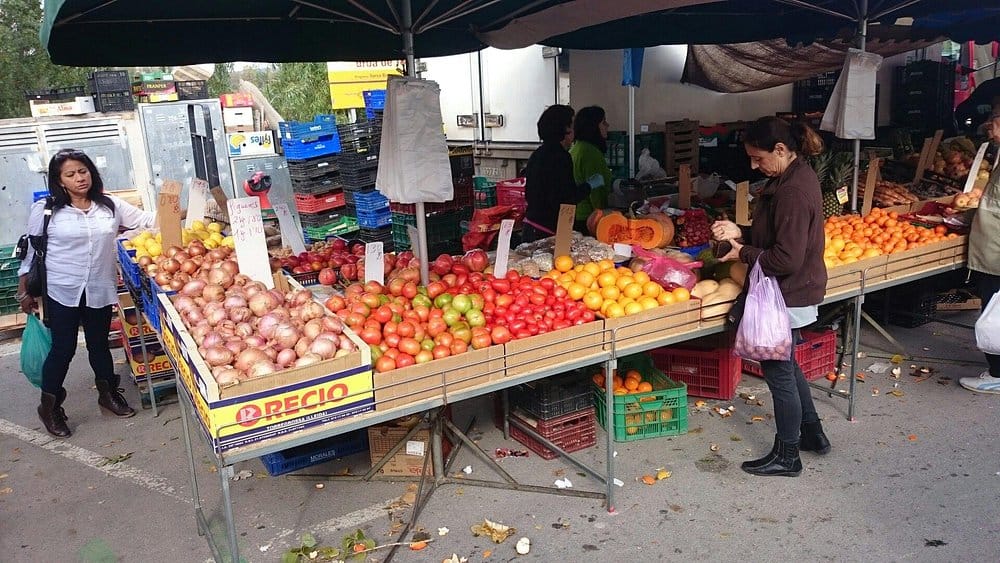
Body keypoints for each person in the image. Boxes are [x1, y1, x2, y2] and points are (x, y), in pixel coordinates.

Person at [711, 116, 829, 477]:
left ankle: (788, 454)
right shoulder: (792, 177)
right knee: (789, 365)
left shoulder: (792, 191)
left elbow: (785, 258)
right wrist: (741, 231)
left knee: (778, 372)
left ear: (780, 150)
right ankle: (813, 434)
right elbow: (775, 236)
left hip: (787, 294)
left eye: (758, 158)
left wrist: (741, 253)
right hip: (791, 293)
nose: (753, 165)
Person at [17, 149, 156, 438]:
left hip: (98, 286)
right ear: (59, 180)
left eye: (83, 171)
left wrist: (186, 207)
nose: (79, 178)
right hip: (61, 288)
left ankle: (108, 395)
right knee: (63, 348)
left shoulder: (109, 206)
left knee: (99, 344)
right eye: (70, 174)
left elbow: (148, 220)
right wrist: (25, 292)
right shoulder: (46, 210)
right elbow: (31, 252)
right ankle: (50, 407)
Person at [960, 106, 1000, 394]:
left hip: (996, 253)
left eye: (994, 124)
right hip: (992, 248)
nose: (990, 130)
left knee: (993, 313)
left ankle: (997, 374)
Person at [522, 104, 605, 243]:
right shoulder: (560, 157)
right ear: (565, 129)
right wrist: (589, 185)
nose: (575, 129)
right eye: (572, 124)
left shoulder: (538, 153)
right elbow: (567, 197)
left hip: (532, 225)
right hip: (549, 231)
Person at [569, 106, 612, 233]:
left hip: (576, 216)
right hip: (588, 219)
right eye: (603, 122)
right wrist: (602, 216)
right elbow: (596, 192)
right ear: (594, 126)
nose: (607, 125)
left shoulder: (576, 148)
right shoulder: (590, 153)